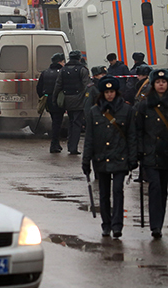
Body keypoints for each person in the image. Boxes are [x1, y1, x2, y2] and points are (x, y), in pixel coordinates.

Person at [82, 76, 137, 238]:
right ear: (102, 93)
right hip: (101, 158)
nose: (110, 95)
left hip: (120, 157)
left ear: (116, 92)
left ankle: (117, 225)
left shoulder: (127, 111)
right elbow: (89, 139)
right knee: (104, 193)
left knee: (118, 191)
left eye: (112, 91)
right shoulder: (94, 112)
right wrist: (86, 160)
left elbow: (132, 136)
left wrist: (133, 159)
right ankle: (106, 224)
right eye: (106, 92)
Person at [135, 68, 168, 239]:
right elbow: (138, 130)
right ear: (153, 85)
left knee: (163, 190)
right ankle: (155, 226)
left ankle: (159, 222)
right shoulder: (144, 105)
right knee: (154, 188)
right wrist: (139, 151)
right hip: (151, 153)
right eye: (158, 82)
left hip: (166, 154)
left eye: (164, 82)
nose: (161, 84)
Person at [53, 50, 92, 155]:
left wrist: (54, 98)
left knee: (71, 122)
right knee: (77, 124)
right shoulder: (82, 70)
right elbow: (86, 85)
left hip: (67, 100)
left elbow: (58, 85)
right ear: (79, 58)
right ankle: (73, 147)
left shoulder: (63, 70)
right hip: (79, 100)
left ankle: (71, 145)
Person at [37, 52, 66, 153]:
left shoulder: (45, 72)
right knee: (57, 123)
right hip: (59, 100)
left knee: (55, 121)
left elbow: (39, 88)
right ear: (60, 62)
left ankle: (56, 144)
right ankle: (54, 144)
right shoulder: (62, 72)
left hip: (48, 100)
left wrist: (43, 97)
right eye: (63, 61)